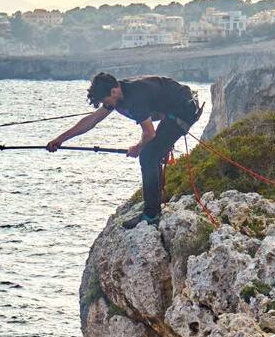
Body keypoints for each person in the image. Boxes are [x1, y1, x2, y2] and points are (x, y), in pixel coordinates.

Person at [47, 73, 201, 230]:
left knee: (148, 156)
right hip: (175, 106)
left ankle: (151, 215)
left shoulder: (135, 98)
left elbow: (149, 133)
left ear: (113, 91)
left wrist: (137, 148)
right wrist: (60, 139)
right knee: (152, 153)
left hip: (184, 110)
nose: (105, 104)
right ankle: (155, 206)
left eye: (104, 100)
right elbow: (92, 120)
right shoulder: (118, 94)